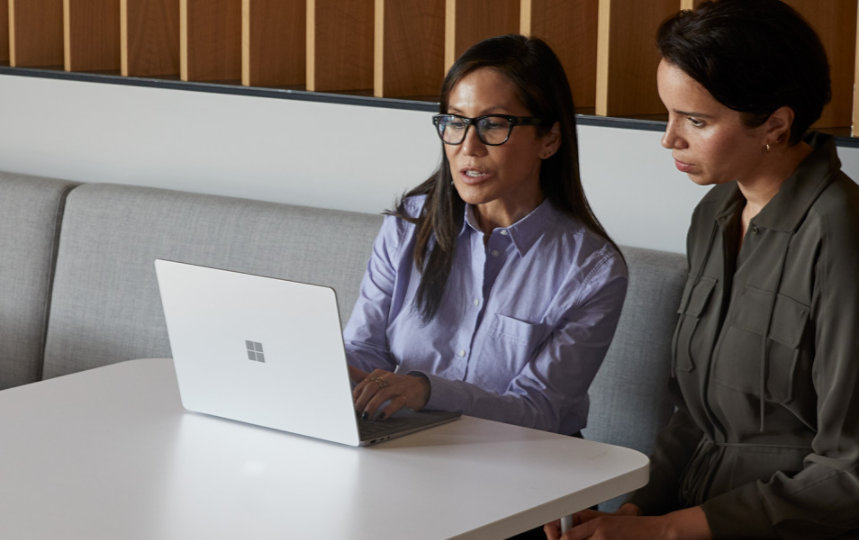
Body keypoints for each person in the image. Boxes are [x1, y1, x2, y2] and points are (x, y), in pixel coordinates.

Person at [545, 0, 859, 538]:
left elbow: (849, 472)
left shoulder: (841, 234)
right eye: (669, 114)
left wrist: (669, 532)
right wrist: (634, 514)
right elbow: (691, 416)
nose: (670, 139)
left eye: (696, 120)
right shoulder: (714, 215)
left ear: (776, 124)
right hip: (690, 513)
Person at [343, 34, 628, 436]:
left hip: (527, 468)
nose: (468, 147)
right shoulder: (409, 224)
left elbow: (538, 412)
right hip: (410, 450)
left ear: (549, 139)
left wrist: (426, 390)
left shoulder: (591, 269)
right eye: (456, 122)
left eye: (494, 125)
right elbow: (364, 350)